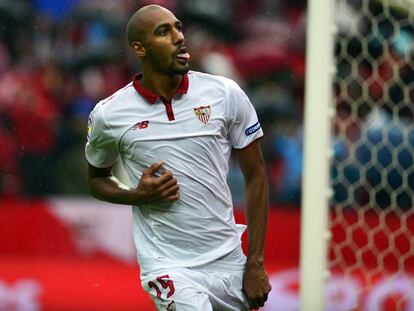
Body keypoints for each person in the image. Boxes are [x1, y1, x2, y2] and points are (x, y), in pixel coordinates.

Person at [85, 4, 271, 310]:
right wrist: (136, 195)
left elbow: (256, 174)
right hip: (168, 264)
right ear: (139, 48)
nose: (178, 37)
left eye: (178, 28)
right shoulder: (110, 114)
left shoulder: (225, 94)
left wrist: (255, 263)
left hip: (229, 262)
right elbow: (96, 180)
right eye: (163, 32)